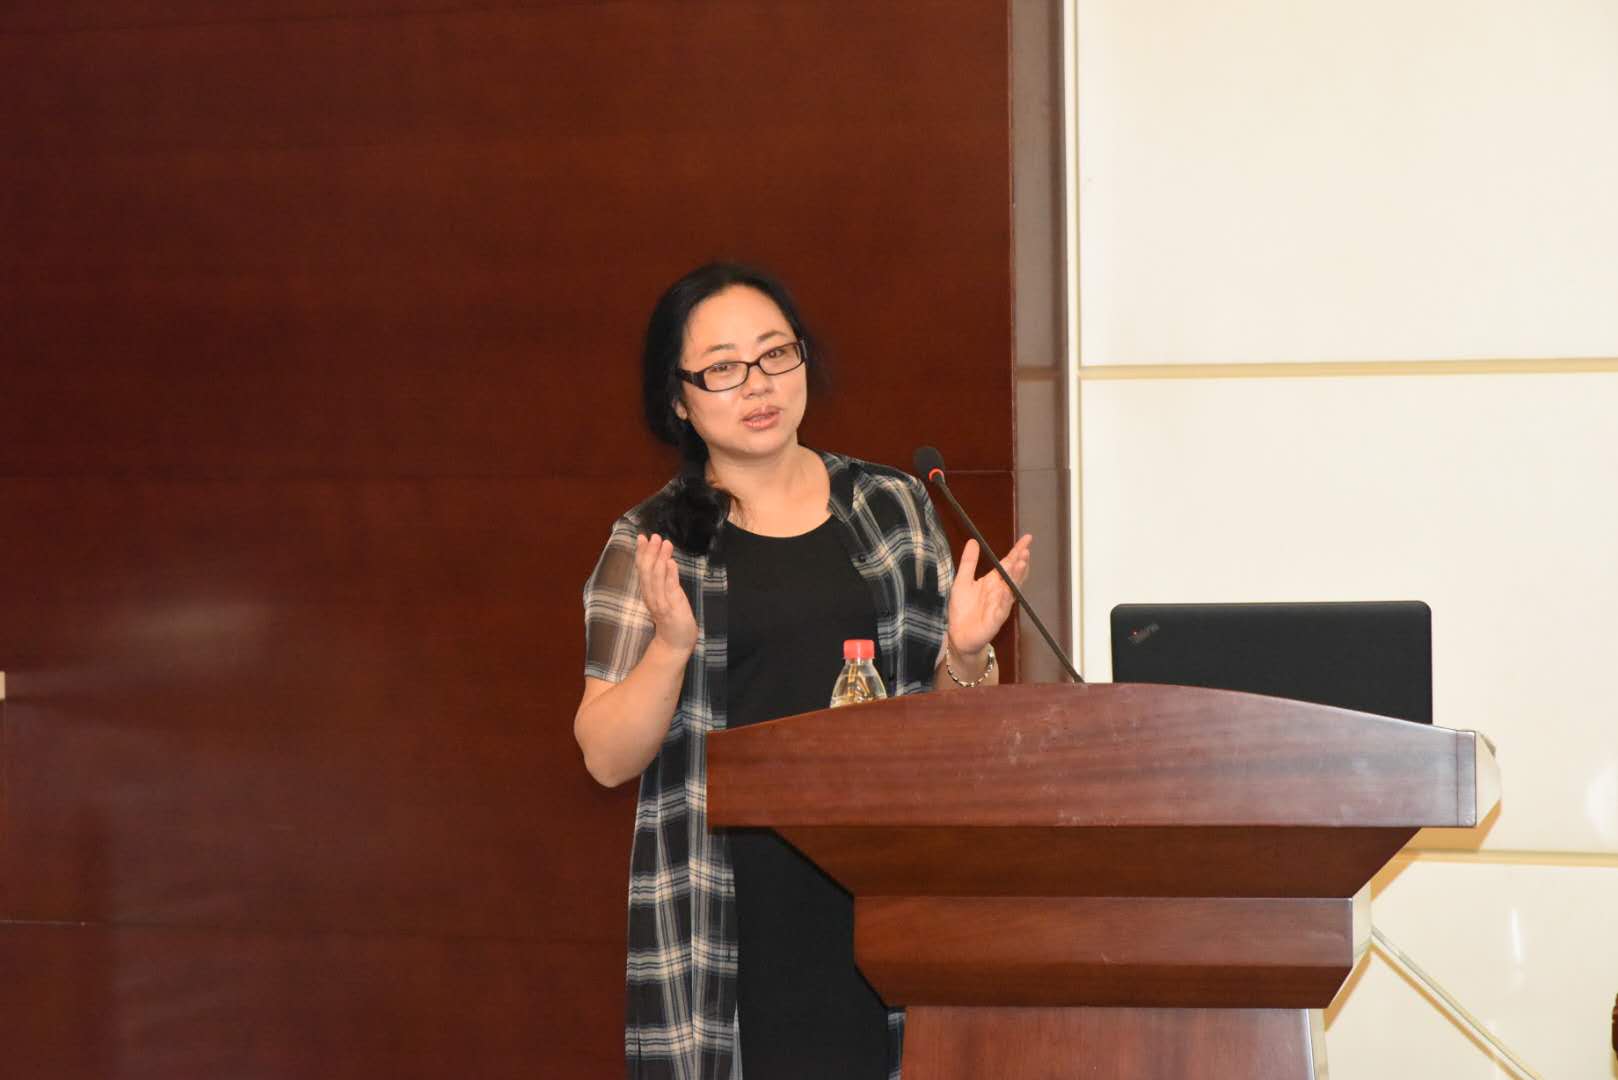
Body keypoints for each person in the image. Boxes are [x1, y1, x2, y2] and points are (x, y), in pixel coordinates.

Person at [575, 262, 1032, 1080]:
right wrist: (670, 646)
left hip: (878, 891)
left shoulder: (891, 506)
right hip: (726, 907)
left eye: (775, 354)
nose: (758, 384)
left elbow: (954, 734)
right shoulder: (653, 543)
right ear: (678, 399)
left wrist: (965, 654)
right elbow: (606, 756)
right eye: (722, 367)